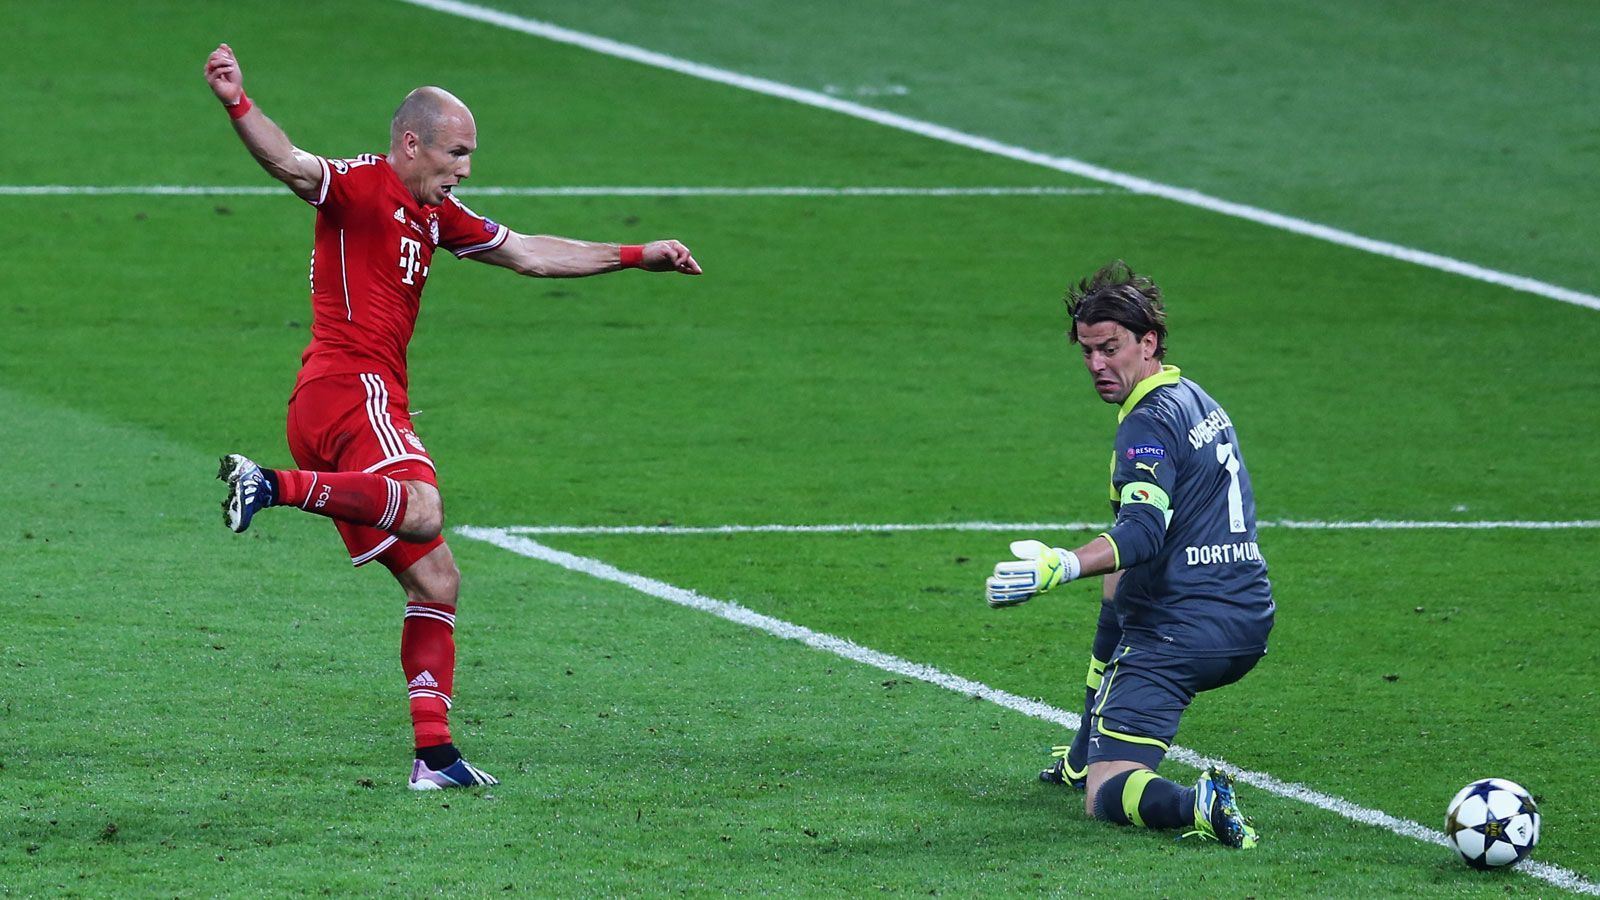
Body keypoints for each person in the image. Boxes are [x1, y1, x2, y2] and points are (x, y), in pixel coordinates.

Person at [203, 43, 702, 790]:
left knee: (437, 581)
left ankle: (434, 759)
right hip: (351, 388)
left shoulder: (436, 217)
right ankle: (269, 484)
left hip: (343, 400)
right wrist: (238, 100)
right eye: (456, 152)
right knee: (426, 508)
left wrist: (637, 255)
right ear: (412, 142)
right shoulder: (356, 185)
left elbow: (531, 252)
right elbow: (288, 162)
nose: (464, 167)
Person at [984, 261, 1274, 848]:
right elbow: (1125, 569)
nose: (1096, 365)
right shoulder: (1196, 399)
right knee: (1120, 591)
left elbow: (1140, 535)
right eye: (1087, 351)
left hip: (1181, 633)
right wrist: (1086, 738)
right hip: (1247, 621)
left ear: (1148, 343)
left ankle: (1199, 803)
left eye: (1109, 348)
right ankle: (1087, 745)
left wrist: (1061, 564)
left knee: (1107, 792)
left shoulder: (1146, 424)